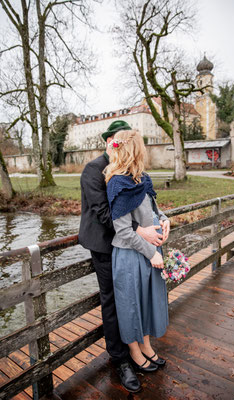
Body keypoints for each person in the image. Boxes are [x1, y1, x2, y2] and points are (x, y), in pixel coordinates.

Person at [79, 120, 164, 393]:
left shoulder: (135, 171)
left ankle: (141, 346)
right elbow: (105, 214)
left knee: (135, 299)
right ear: (110, 140)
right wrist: (142, 233)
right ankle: (121, 360)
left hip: (131, 244)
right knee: (114, 304)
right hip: (105, 245)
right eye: (120, 138)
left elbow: (148, 204)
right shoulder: (94, 170)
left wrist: (159, 223)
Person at [104, 129, 170, 388]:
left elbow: (154, 209)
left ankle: (146, 344)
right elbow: (122, 230)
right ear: (135, 150)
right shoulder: (117, 182)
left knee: (145, 301)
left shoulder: (143, 178)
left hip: (149, 252)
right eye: (142, 147)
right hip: (133, 254)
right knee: (130, 303)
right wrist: (152, 252)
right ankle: (133, 349)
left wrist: (164, 220)